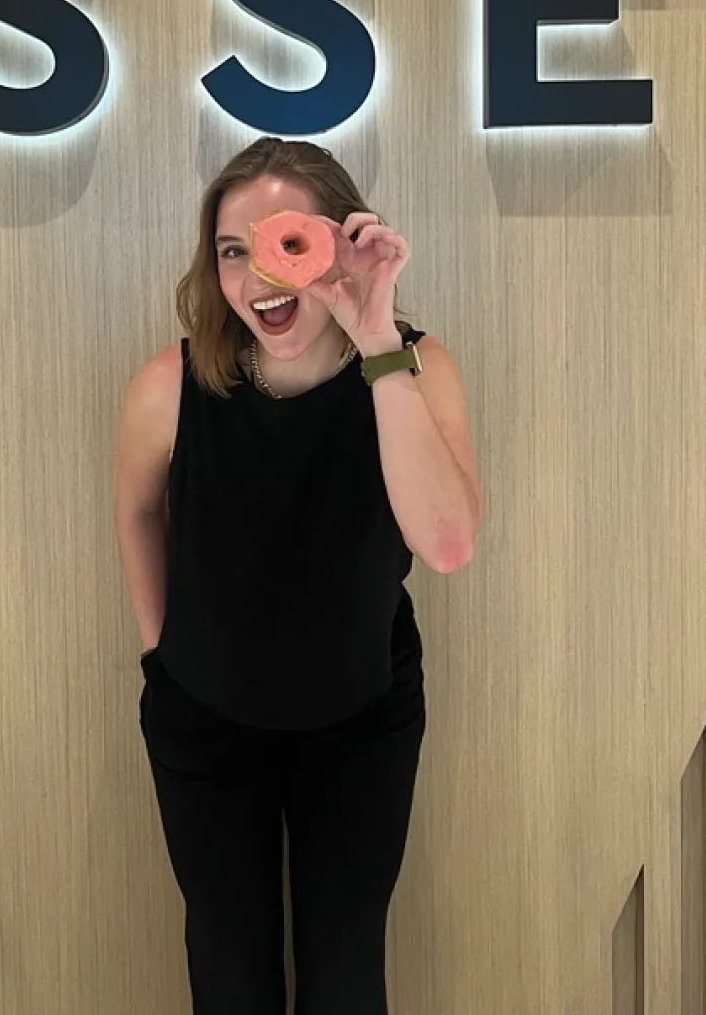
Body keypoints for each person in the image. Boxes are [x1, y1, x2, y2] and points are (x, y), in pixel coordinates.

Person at [113, 136, 481, 1014]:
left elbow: (447, 544)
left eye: (280, 243)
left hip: (362, 719)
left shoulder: (415, 366)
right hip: (204, 722)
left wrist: (377, 335)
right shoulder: (171, 385)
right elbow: (136, 513)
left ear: (340, 240)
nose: (255, 278)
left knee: (347, 978)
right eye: (230, 251)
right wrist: (163, 653)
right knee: (230, 978)